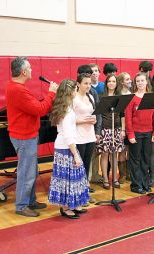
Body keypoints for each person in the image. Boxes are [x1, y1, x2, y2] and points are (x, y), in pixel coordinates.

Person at [6, 56, 58, 217]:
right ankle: (21, 206)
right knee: (26, 173)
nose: (31, 70)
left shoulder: (15, 87)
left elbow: (34, 107)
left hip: (27, 135)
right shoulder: (18, 90)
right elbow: (40, 110)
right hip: (24, 137)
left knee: (32, 171)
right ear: (23, 72)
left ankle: (30, 201)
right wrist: (51, 94)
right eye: (29, 68)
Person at [48, 79, 89, 219]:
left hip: (66, 146)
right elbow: (68, 135)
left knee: (74, 177)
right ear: (70, 92)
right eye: (75, 89)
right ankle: (65, 207)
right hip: (66, 147)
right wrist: (76, 154)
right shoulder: (66, 110)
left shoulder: (66, 107)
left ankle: (74, 204)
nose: (76, 90)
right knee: (67, 178)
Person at [125, 72, 154, 194]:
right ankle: (136, 185)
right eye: (137, 81)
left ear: (146, 82)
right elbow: (128, 118)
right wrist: (131, 134)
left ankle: (145, 184)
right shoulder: (131, 98)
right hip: (136, 134)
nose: (140, 83)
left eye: (142, 81)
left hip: (148, 133)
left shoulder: (151, 98)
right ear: (135, 83)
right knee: (135, 160)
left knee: (146, 159)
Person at [97, 74, 125, 189]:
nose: (112, 83)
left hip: (117, 129)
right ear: (106, 83)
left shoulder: (120, 97)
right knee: (104, 155)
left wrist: (123, 130)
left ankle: (114, 178)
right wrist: (98, 131)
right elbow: (98, 114)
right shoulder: (101, 96)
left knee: (114, 154)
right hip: (105, 129)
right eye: (109, 81)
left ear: (116, 83)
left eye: (114, 81)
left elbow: (123, 115)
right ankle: (105, 179)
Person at [73, 73, 97, 194]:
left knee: (87, 164)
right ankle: (78, 192)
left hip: (90, 136)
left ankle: (84, 190)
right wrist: (84, 120)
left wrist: (94, 120)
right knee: (79, 166)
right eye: (85, 83)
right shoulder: (73, 98)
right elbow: (68, 120)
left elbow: (93, 115)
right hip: (78, 137)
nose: (88, 86)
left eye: (89, 83)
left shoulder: (91, 97)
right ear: (78, 84)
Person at [116, 72, 132, 184]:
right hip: (122, 126)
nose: (130, 81)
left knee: (130, 150)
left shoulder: (131, 93)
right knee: (121, 150)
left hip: (132, 125)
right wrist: (123, 129)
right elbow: (121, 114)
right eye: (127, 79)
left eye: (130, 79)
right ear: (121, 82)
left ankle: (129, 172)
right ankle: (122, 174)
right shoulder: (119, 95)